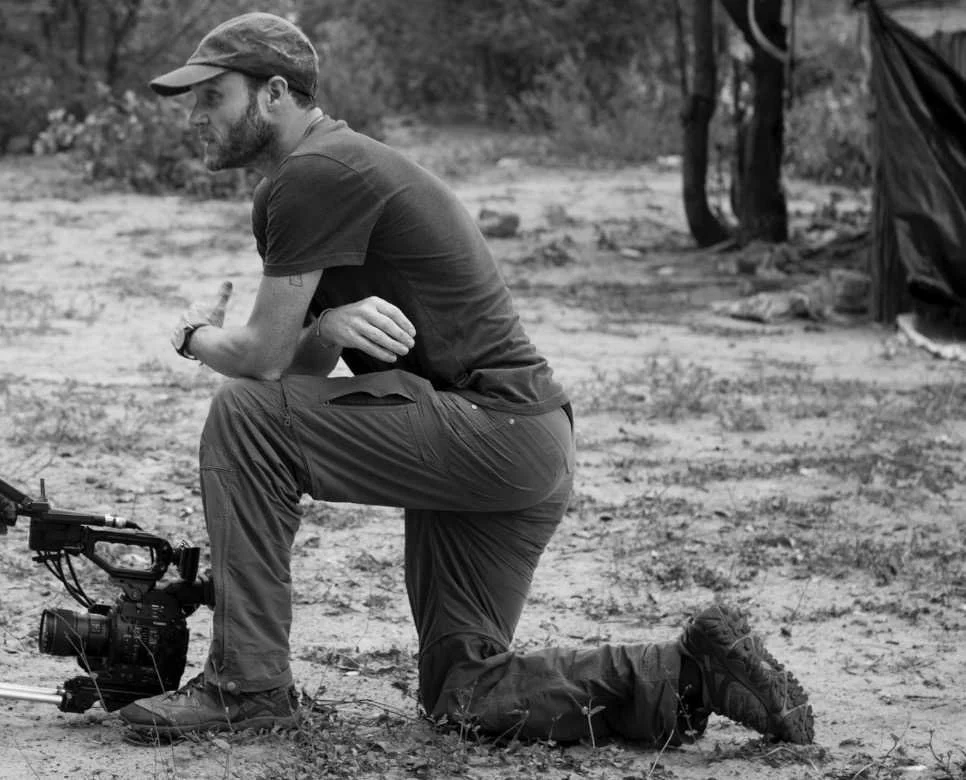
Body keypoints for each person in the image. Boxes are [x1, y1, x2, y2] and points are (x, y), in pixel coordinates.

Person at [119, 12, 815, 747]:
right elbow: (298, 369)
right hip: (522, 442)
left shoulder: (314, 174)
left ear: (275, 94)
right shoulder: (308, 179)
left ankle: (247, 686)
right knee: (464, 694)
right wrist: (325, 329)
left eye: (213, 97)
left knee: (242, 415)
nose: (196, 117)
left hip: (491, 430)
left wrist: (193, 336)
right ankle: (691, 672)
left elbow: (260, 363)